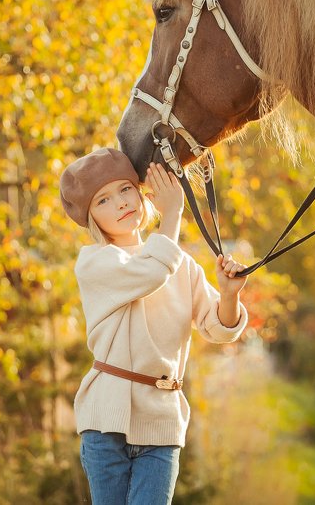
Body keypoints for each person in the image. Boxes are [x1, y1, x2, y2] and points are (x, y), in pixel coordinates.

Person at [59, 148, 249, 504]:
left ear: (140, 192)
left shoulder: (180, 264)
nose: (120, 203)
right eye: (103, 200)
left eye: (125, 189)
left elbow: (219, 329)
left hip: (162, 421)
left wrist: (228, 295)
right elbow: (150, 272)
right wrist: (173, 213)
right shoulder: (96, 262)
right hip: (106, 424)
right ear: (91, 219)